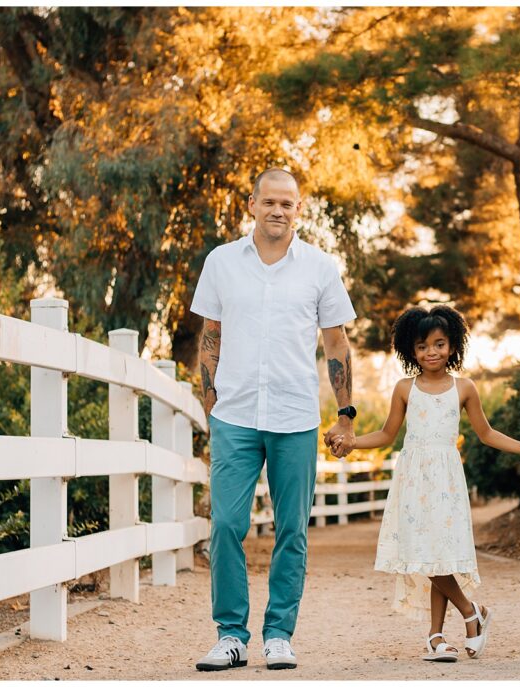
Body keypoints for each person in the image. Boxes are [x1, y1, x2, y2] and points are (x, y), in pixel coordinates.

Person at [190, 168, 358, 671]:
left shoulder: (320, 267)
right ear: (252, 205)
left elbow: (336, 343)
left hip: (295, 415)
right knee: (225, 525)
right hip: (235, 415)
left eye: (288, 203)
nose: (278, 211)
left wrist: (345, 412)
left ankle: (279, 633)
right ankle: (231, 635)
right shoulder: (221, 262)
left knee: (292, 530)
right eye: (270, 202)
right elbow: (210, 336)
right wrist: (209, 404)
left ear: (299, 209)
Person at [331, 305, 520, 662]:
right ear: (411, 350)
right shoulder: (405, 389)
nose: (431, 352)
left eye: (439, 344)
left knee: (439, 557)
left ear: (452, 346)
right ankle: (468, 615)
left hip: (447, 479)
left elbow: (486, 433)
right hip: (413, 480)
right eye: (422, 346)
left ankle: (440, 634)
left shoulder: (464, 388)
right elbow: (388, 434)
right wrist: (353, 442)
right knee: (427, 556)